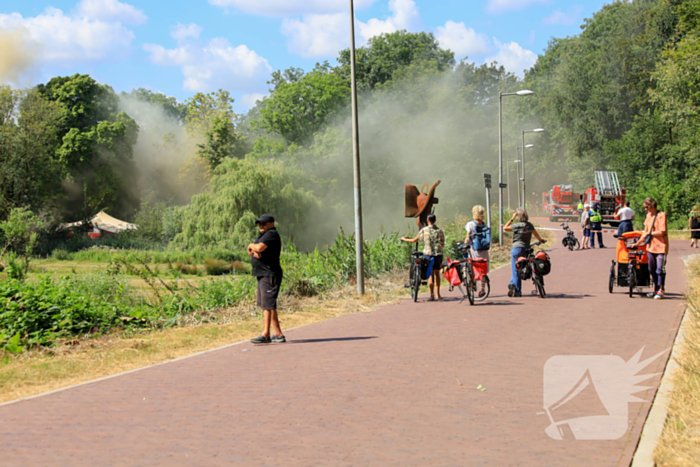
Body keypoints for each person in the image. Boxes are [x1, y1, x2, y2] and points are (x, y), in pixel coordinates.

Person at [248, 214, 285, 344]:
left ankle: (266, 334)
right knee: (268, 304)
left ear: (272, 224)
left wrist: (253, 246)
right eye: (259, 224)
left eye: (264, 223)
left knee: (268, 305)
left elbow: (257, 248)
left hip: (269, 273)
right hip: (263, 274)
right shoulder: (262, 236)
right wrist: (254, 248)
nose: (261, 226)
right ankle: (278, 334)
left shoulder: (271, 234)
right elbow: (252, 251)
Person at [401, 213, 445, 301]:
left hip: (428, 255)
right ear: (435, 221)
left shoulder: (424, 230)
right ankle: (438, 294)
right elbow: (442, 243)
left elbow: (414, 240)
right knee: (437, 274)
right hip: (438, 255)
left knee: (430, 274)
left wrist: (404, 239)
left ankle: (432, 295)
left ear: (427, 221)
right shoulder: (440, 231)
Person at [631, 197, 668, 300]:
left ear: (652, 205)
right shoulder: (648, 216)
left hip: (661, 247)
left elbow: (662, 231)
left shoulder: (661, 215)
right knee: (651, 269)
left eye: (646, 207)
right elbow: (645, 232)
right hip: (650, 247)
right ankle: (655, 289)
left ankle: (661, 290)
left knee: (660, 269)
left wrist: (650, 234)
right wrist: (637, 243)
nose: (645, 209)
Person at [504, 208, 546, 297]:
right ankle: (512, 283)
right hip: (526, 248)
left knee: (516, 269)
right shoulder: (529, 225)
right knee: (522, 266)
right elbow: (535, 234)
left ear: (518, 216)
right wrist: (540, 240)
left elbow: (505, 228)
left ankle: (518, 292)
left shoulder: (517, 225)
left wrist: (512, 218)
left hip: (516, 249)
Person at [464, 205, 490, 297]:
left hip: (474, 250)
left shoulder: (471, 224)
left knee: (472, 267)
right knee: (483, 269)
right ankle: (482, 289)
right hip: (484, 250)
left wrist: (464, 245)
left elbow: (467, 238)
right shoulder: (484, 224)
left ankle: (472, 284)